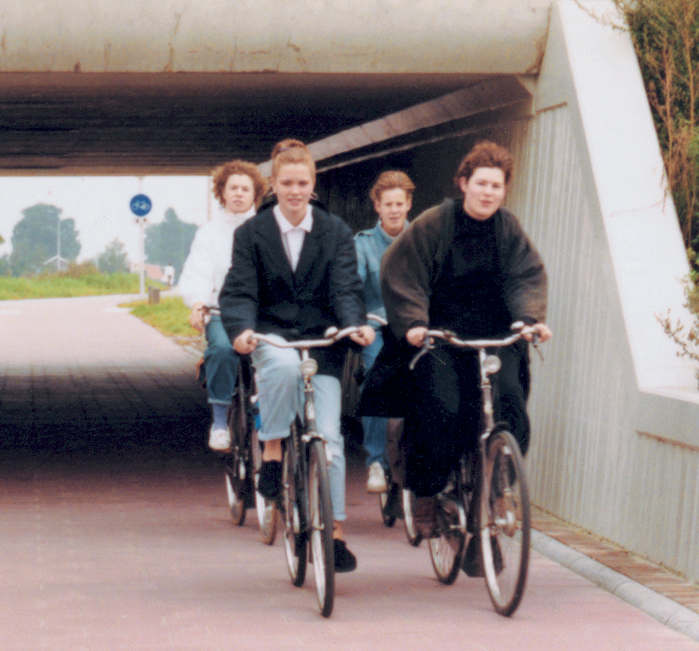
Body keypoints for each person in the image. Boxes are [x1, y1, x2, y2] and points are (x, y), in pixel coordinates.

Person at [375, 140, 549, 574]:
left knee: (508, 399)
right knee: (440, 406)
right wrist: (414, 321)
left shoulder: (508, 229)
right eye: (481, 183)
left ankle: (499, 484)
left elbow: (526, 276)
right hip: (441, 335)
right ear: (464, 183)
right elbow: (403, 270)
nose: (488, 192)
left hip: (495, 335)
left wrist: (529, 319)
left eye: (496, 186)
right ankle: (429, 492)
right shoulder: (436, 223)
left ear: (504, 190)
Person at [219, 148, 373, 574]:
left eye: (302, 183)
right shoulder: (252, 233)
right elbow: (240, 289)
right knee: (284, 369)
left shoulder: (335, 230)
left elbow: (346, 287)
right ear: (274, 186)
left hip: (322, 341)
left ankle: (335, 532)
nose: (294, 191)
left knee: (331, 439)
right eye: (286, 183)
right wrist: (242, 330)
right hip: (273, 335)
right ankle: (272, 450)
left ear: (313, 185)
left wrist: (354, 324)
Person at [176, 160, 267, 452]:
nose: (239, 193)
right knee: (222, 350)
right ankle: (219, 423)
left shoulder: (267, 229)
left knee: (272, 355)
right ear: (222, 192)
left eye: (245, 189)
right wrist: (198, 302)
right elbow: (198, 270)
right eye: (233, 188)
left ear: (255, 194)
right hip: (221, 312)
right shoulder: (209, 233)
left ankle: (268, 414)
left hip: (262, 312)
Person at [353, 169, 415, 507]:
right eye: (387, 204)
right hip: (377, 327)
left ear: (408, 204)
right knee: (377, 377)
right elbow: (352, 288)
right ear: (377, 206)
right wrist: (358, 323)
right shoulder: (363, 243)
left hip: (416, 326)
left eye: (399, 204)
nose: (394, 210)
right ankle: (376, 461)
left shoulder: (422, 238)